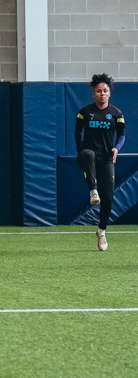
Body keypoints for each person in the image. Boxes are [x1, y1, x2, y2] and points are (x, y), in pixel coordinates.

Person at [75, 73, 125, 251]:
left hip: (106, 158)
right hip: (88, 154)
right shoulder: (85, 112)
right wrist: (79, 149)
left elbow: (122, 135)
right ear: (94, 93)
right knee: (87, 155)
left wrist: (117, 148)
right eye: (98, 91)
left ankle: (101, 232)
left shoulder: (116, 114)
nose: (102, 93)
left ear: (109, 93)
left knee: (109, 199)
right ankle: (93, 191)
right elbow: (78, 131)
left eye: (105, 91)